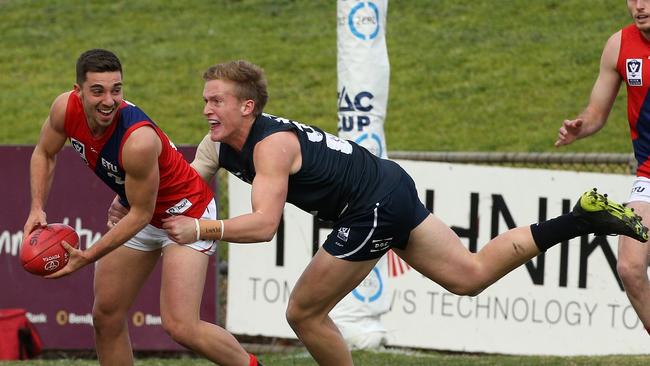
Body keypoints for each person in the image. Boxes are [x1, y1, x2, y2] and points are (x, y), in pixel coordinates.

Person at [110, 60, 648, 365]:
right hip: (386, 185)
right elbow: (179, 186)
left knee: (302, 313)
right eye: (205, 100)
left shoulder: (268, 147)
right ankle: (580, 218)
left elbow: (265, 224)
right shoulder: (216, 145)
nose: (207, 109)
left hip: (369, 205)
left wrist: (202, 227)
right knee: (471, 276)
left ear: (247, 106)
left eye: (217, 101)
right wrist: (133, 204)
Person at [22, 49, 262, 366]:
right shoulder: (64, 108)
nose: (109, 100)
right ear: (77, 91)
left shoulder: (138, 139)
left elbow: (140, 214)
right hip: (142, 209)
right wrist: (37, 208)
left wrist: (87, 256)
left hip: (186, 211)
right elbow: (44, 153)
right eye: (98, 91)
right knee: (106, 316)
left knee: (181, 326)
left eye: (116, 90)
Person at [554, 0, 650, 336]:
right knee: (629, 266)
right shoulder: (619, 46)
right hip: (649, 175)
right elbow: (596, 113)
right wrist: (581, 125)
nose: (639, 6)